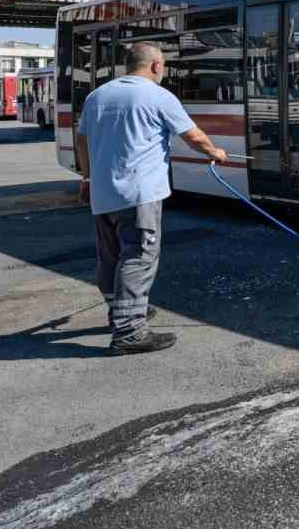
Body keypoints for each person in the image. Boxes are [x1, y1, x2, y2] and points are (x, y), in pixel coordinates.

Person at [80, 42, 228, 355]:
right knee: (137, 256)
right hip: (140, 193)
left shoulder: (97, 96)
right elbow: (193, 136)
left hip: (103, 194)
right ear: (156, 66)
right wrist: (215, 152)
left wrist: (87, 178)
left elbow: (82, 140)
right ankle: (130, 332)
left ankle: (121, 314)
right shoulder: (158, 95)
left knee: (110, 256)